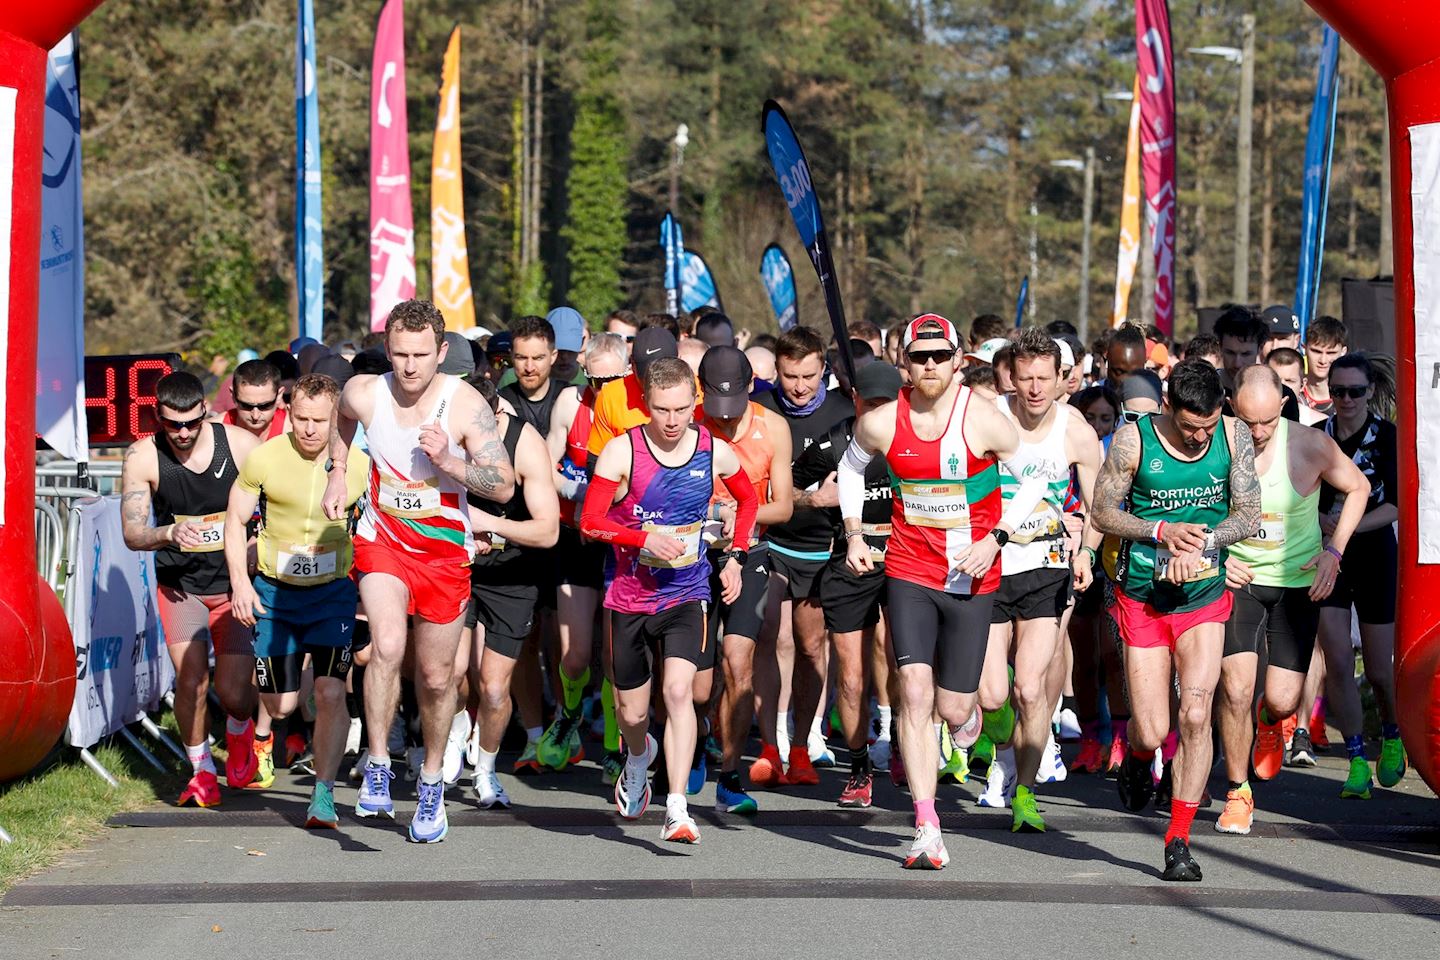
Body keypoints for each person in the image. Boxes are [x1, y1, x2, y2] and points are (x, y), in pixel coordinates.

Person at [837, 314, 1049, 870]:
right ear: (905, 361)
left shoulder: (984, 420)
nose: (929, 365)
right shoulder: (882, 423)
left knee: (956, 706)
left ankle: (973, 726)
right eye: (919, 356)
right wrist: (856, 532)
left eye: (940, 356)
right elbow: (852, 469)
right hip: (908, 570)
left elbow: (1035, 479)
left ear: (959, 361)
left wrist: (998, 537)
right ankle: (926, 824)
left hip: (972, 577)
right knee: (913, 692)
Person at [321, 298, 515, 844]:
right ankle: (379, 763)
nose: (409, 366)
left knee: (436, 677)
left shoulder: (463, 404)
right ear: (387, 349)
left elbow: (503, 485)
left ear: (442, 352)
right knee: (384, 645)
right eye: (400, 353)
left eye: (421, 355)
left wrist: (451, 463)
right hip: (382, 539)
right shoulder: (364, 391)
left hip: (444, 551)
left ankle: (430, 781)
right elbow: (342, 418)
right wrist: (339, 473)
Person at [1092, 358, 1260, 882]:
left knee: (1194, 713)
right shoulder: (1132, 440)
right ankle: (1142, 758)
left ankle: (1179, 839)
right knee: (1152, 727)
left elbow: (1248, 514)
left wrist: (1205, 543)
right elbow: (1102, 512)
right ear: (1168, 406)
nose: (1197, 438)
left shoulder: (1233, 437)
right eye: (1189, 427)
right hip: (1143, 596)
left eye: (1206, 427)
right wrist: (1161, 531)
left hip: (1204, 595)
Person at [580, 357, 759, 844]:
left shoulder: (713, 451)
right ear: (647, 406)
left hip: (687, 590)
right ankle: (639, 757)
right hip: (629, 595)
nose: (674, 420)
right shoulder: (622, 453)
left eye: (683, 409)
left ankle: (677, 807)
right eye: (663, 410)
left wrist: (736, 556)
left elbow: (749, 501)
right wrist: (641, 540)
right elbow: (590, 521)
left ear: (694, 403)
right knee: (633, 715)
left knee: (680, 693)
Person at [1215, 366, 1368, 834]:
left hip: (1297, 583)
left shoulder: (1309, 444)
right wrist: (1218, 558)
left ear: (1282, 405)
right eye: (1247, 422)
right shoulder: (1215, 442)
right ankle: (1238, 793)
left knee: (1280, 701)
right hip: (1238, 579)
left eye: (1265, 422)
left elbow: (1358, 487)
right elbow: (1192, 507)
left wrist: (1334, 553)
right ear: (1232, 408)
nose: (1256, 433)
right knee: (1236, 688)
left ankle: (1269, 721)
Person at [223, 373, 368, 827]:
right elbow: (234, 521)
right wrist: (241, 585)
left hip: (333, 595)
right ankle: (266, 733)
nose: (308, 429)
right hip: (275, 593)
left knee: (329, 692)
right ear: (289, 413)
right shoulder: (264, 458)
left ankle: (322, 794)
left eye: (320, 421)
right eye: (300, 418)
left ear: (336, 420)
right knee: (282, 705)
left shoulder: (360, 465)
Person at [976, 329, 1104, 831]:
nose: (1033, 389)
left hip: (1045, 563)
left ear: (1061, 379)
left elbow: (1098, 506)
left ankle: (1025, 793)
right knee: (991, 696)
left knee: (1030, 688)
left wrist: (1088, 552)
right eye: (1025, 378)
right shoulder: (989, 417)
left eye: (1043, 379)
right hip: (988, 563)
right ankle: (1003, 744)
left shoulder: (1075, 430)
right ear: (1010, 375)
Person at [120, 372, 261, 806]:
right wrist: (166, 535)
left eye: (191, 423)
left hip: (234, 584)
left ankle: (240, 732)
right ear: (157, 418)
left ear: (206, 412)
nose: (182, 433)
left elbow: (272, 514)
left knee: (236, 693)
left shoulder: (240, 445)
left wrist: (252, 556)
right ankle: (201, 770)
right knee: (193, 678)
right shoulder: (142, 457)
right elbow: (132, 532)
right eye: (171, 425)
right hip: (181, 587)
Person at [793, 361, 901, 808]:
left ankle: (905, 742)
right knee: (852, 680)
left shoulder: (917, 441)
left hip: (906, 562)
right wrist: (814, 498)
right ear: (855, 400)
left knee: (907, 668)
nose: (877, 415)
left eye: (885, 406)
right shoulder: (833, 443)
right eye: (868, 405)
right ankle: (859, 768)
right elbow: (782, 493)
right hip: (849, 564)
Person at [752, 326, 853, 785]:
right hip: (770, 541)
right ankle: (769, 746)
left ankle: (802, 746)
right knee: (769, 636)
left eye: (809, 376)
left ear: (823, 370)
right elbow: (765, 489)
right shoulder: (761, 410)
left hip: (820, 549)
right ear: (777, 370)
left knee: (812, 647)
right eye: (790, 375)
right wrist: (811, 497)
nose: (798, 385)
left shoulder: (844, 411)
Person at [696, 347, 793, 815]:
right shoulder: (688, 423)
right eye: (718, 411)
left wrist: (742, 518)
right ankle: (693, 742)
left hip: (750, 553)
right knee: (695, 682)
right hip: (692, 558)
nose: (726, 421)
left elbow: (785, 505)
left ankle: (729, 774)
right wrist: (714, 514)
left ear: (752, 386)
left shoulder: (772, 427)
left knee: (739, 661)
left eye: (733, 412)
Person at [463, 379, 560, 809]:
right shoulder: (442, 437)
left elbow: (548, 530)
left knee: (494, 688)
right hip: (459, 568)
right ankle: (446, 742)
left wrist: (491, 525)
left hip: (513, 575)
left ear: (496, 416)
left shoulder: (524, 443)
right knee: (445, 675)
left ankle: (485, 770)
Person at [1316, 353, 1406, 799]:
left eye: (1354, 391)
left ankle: (1391, 733)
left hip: (1374, 556)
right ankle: (1354, 759)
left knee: (1378, 671)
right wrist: (1320, 524)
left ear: (1370, 391)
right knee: (1336, 660)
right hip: (1327, 559)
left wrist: (1346, 529)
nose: (1346, 400)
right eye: (1338, 391)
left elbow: (1396, 506)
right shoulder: (1317, 437)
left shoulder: (1388, 437)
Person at [548, 333, 629, 782]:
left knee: (617, 658)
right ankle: (570, 713)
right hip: (575, 537)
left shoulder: (635, 408)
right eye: (592, 379)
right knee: (577, 655)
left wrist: (598, 499)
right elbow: (543, 466)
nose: (600, 389)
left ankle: (615, 745)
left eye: (611, 379)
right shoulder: (569, 403)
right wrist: (580, 494)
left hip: (620, 542)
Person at [219, 359, 288, 440]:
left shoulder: (293, 432)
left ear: (279, 395)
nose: (255, 416)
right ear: (233, 395)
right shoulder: (214, 432)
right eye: (246, 406)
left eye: (265, 406)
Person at [1266, 348, 1327, 426]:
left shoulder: (1317, 424)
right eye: (1276, 380)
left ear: (1302, 385)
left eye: (1289, 381)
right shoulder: (1250, 418)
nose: (1283, 386)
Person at [1302, 315, 1349, 416]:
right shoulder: (1294, 395)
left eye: (1331, 353)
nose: (1323, 361)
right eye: (1316, 351)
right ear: (1304, 349)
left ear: (1343, 352)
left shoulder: (1353, 399)